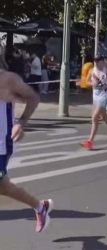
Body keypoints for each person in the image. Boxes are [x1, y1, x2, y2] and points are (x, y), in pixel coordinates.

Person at [0, 47, 53, 232]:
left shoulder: (7, 79)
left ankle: (40, 207)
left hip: (1, 144)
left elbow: (33, 97)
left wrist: (21, 122)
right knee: (3, 187)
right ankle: (40, 206)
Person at [80, 56, 107, 149]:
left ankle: (90, 141)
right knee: (104, 117)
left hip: (104, 94)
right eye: (95, 62)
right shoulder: (92, 70)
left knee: (95, 117)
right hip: (96, 94)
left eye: (98, 62)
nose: (96, 64)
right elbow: (86, 81)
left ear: (103, 62)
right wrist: (92, 84)